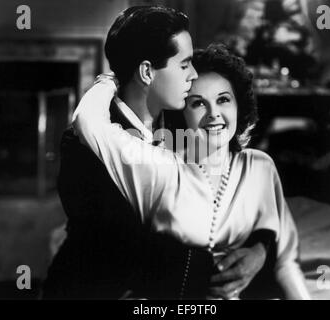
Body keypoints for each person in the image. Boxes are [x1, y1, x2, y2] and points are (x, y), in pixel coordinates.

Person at [43, 6, 269, 300]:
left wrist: (258, 250)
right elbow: (131, 258)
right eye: (184, 64)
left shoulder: (181, 118)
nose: (194, 74)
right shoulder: (86, 147)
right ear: (147, 71)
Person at [72, 43, 310, 300]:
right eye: (198, 103)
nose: (214, 114)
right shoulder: (158, 166)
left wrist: (260, 252)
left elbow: (285, 260)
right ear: (181, 113)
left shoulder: (260, 167)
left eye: (223, 99)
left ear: (238, 105)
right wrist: (112, 79)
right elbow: (87, 122)